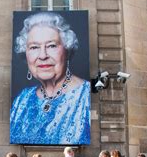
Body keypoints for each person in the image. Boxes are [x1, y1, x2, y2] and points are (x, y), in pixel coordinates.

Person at [10, 12, 91, 145]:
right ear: (26, 54)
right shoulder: (22, 99)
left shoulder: (85, 95)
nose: (42, 55)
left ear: (67, 50)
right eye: (34, 47)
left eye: (52, 46)